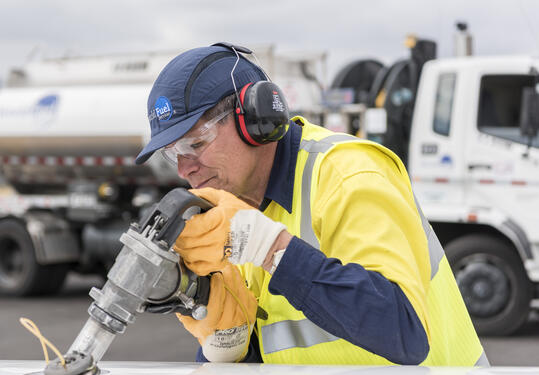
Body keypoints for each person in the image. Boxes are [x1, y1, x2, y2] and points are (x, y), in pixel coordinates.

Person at [135, 43, 487, 366]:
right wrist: (228, 343)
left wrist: (270, 247)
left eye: (195, 144)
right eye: (173, 154)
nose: (184, 168)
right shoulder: (237, 214)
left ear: (255, 120)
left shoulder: (349, 175)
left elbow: (403, 329)